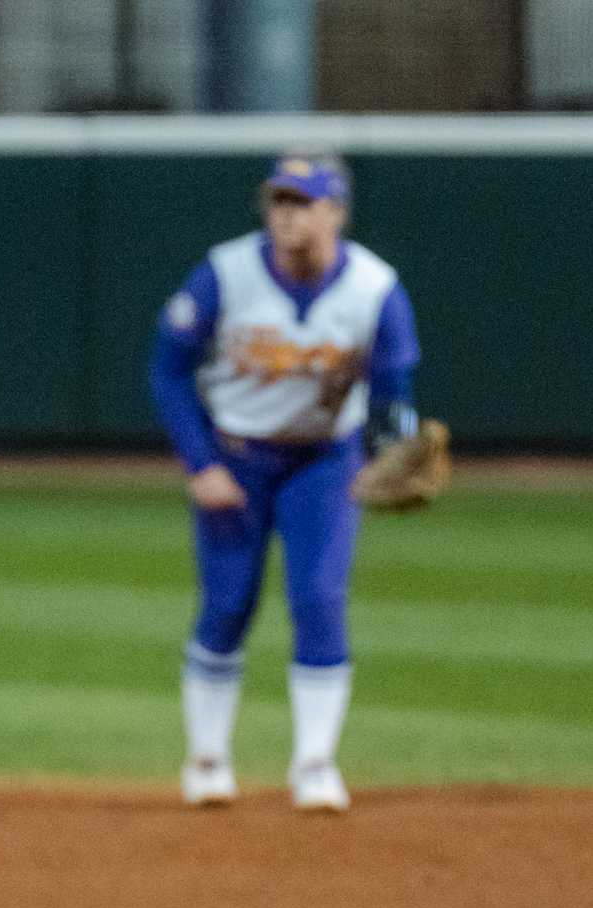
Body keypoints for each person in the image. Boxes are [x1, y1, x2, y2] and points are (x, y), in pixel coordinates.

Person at [149, 151, 420, 812]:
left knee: (319, 598)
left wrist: (391, 449)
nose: (286, 214)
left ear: (336, 213)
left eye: (302, 202)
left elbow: (392, 392)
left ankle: (315, 765)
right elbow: (167, 369)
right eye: (279, 200)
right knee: (228, 603)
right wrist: (201, 462)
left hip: (324, 462)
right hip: (235, 457)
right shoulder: (225, 273)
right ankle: (207, 758)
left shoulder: (375, 289)